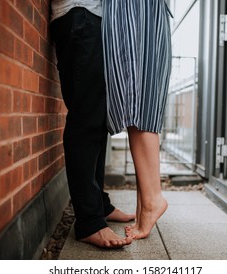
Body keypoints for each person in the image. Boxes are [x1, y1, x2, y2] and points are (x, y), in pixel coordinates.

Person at [50, 0, 134, 248]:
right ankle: (89, 222)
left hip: (91, 18)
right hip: (80, 13)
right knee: (86, 117)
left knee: (98, 119)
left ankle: (100, 205)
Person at [101, 0, 172, 239]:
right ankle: (146, 205)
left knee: (138, 103)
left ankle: (153, 200)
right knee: (137, 103)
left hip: (135, 9)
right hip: (138, 10)